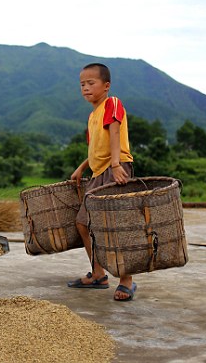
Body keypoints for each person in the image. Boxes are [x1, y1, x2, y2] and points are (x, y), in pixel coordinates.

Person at [68, 63, 137, 302]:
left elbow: (115, 134)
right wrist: (82, 167)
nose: (85, 88)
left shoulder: (112, 104)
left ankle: (126, 280)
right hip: (98, 174)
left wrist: (117, 165)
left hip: (116, 169)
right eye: (82, 84)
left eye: (91, 83)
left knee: (114, 226)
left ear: (106, 86)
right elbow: (96, 147)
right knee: (83, 222)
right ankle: (98, 273)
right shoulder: (92, 116)